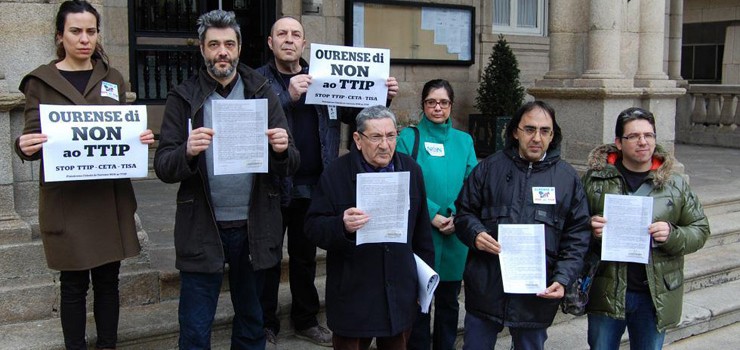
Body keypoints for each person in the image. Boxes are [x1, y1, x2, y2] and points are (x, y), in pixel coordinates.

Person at [153, 10, 299, 350]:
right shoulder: (184, 96)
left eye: (229, 44)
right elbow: (163, 166)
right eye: (214, 44)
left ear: (239, 48)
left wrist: (279, 149)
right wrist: (187, 152)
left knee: (251, 320)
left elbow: (292, 160)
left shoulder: (262, 91)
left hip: (254, 225)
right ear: (203, 49)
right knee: (195, 323)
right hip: (203, 225)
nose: (223, 52)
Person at [14, 1, 155, 349]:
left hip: (108, 198)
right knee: (73, 284)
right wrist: (24, 144)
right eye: (75, 31)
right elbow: (30, 136)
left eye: (91, 31)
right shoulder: (40, 82)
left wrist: (142, 138)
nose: (84, 39)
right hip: (68, 201)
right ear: (60, 35)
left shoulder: (112, 78)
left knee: (109, 280)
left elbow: (122, 130)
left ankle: (108, 344)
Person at [255, 16, 399, 347]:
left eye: (295, 34)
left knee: (305, 258)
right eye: (282, 34)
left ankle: (305, 319)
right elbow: (250, 124)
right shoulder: (258, 81)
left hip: (315, 185)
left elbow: (358, 116)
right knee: (268, 257)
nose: (289, 39)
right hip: (272, 185)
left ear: (304, 44)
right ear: (270, 42)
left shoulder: (325, 75)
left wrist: (383, 97)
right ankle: (265, 323)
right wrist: (286, 96)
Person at [454, 101, 591, 350]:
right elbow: (463, 213)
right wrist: (475, 233)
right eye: (529, 129)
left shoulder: (567, 178)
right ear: (515, 131)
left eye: (544, 131)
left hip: (536, 295)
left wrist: (563, 277)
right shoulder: (488, 168)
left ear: (553, 135)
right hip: (487, 286)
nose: (536, 138)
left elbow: (578, 234)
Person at [304, 105, 434, 350]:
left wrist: (423, 286)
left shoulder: (411, 169)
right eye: (375, 137)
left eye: (391, 136)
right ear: (358, 139)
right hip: (354, 294)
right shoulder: (336, 173)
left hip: (398, 292)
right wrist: (341, 225)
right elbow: (313, 228)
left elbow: (422, 234)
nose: (384, 145)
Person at [582, 107, 710, 350]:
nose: (643, 142)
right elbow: (572, 225)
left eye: (649, 135)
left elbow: (700, 229)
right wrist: (589, 227)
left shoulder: (674, 184)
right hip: (606, 289)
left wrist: (672, 235)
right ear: (618, 143)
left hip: (653, 294)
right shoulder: (595, 180)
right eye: (634, 136)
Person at [396, 79, 477, 350]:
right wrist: (430, 213)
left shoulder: (464, 141)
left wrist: (456, 214)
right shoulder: (408, 138)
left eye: (443, 102)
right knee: (421, 301)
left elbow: (472, 182)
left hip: (454, 234)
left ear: (451, 106)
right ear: (423, 105)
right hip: (422, 231)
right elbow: (401, 179)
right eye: (431, 102)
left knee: (449, 301)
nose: (437, 108)